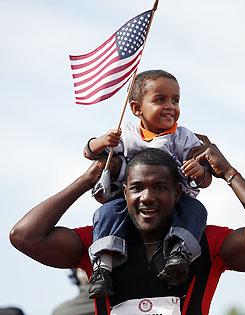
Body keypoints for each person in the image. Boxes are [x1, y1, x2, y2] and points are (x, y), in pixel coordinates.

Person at [10, 142, 245, 315]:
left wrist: (230, 174)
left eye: (160, 187)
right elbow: (25, 236)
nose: (147, 197)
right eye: (137, 188)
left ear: (178, 193)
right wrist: (88, 179)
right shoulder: (101, 242)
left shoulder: (205, 240)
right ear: (124, 193)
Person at [84, 69, 212, 297]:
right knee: (107, 213)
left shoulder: (182, 137)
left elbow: (205, 178)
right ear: (135, 108)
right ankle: (103, 267)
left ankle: (179, 255)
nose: (170, 106)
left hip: (175, 201)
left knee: (196, 210)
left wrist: (199, 170)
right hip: (130, 203)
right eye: (160, 100)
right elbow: (90, 153)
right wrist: (101, 141)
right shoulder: (128, 134)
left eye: (175, 100)